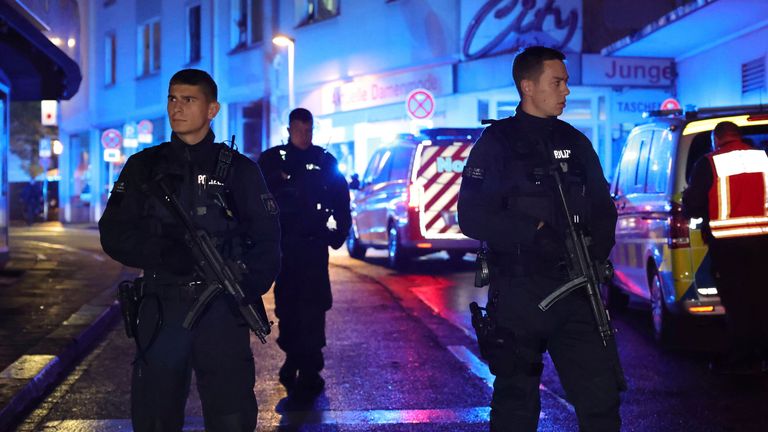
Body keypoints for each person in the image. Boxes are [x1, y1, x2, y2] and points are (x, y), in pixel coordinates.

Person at [99, 69, 281, 431]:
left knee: (231, 415)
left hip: (221, 312)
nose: (176, 108)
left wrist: (245, 287)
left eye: (188, 99)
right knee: (155, 416)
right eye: (171, 98)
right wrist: (163, 254)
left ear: (212, 109)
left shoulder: (238, 171)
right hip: (162, 307)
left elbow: (268, 237)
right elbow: (114, 232)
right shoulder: (144, 167)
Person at [458, 46, 624, 431]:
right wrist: (533, 233)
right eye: (558, 82)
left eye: (565, 82)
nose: (566, 90)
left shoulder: (576, 142)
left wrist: (595, 253)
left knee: (601, 399)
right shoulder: (496, 143)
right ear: (528, 86)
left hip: (576, 289)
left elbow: (603, 208)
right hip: (520, 293)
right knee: (516, 405)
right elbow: (472, 216)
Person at [257, 108, 351, 400]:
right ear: (289, 130)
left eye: (308, 131)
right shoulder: (272, 160)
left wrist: (337, 235)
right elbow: (256, 200)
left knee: (314, 308)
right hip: (284, 248)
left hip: (312, 247)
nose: (304, 136)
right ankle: (293, 358)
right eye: (299, 130)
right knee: (287, 306)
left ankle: (310, 368)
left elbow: (341, 201)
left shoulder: (324, 161)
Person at [682, 121, 768, 374]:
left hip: (728, 245)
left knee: (737, 300)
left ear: (716, 139)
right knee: (762, 296)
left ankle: (742, 357)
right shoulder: (763, 158)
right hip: (763, 241)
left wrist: (696, 215)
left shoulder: (709, 163)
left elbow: (694, 204)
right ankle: (764, 354)